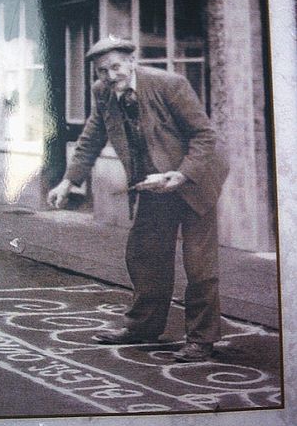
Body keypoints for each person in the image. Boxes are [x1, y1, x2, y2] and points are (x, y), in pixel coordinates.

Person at [48, 36, 229, 362]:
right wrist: (68, 181)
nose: (110, 76)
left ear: (132, 61)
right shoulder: (103, 93)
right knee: (145, 254)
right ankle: (143, 326)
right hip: (153, 185)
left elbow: (205, 136)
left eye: (116, 67)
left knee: (199, 264)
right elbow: (91, 138)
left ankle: (202, 339)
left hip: (194, 179)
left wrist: (181, 174)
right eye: (102, 71)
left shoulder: (169, 84)